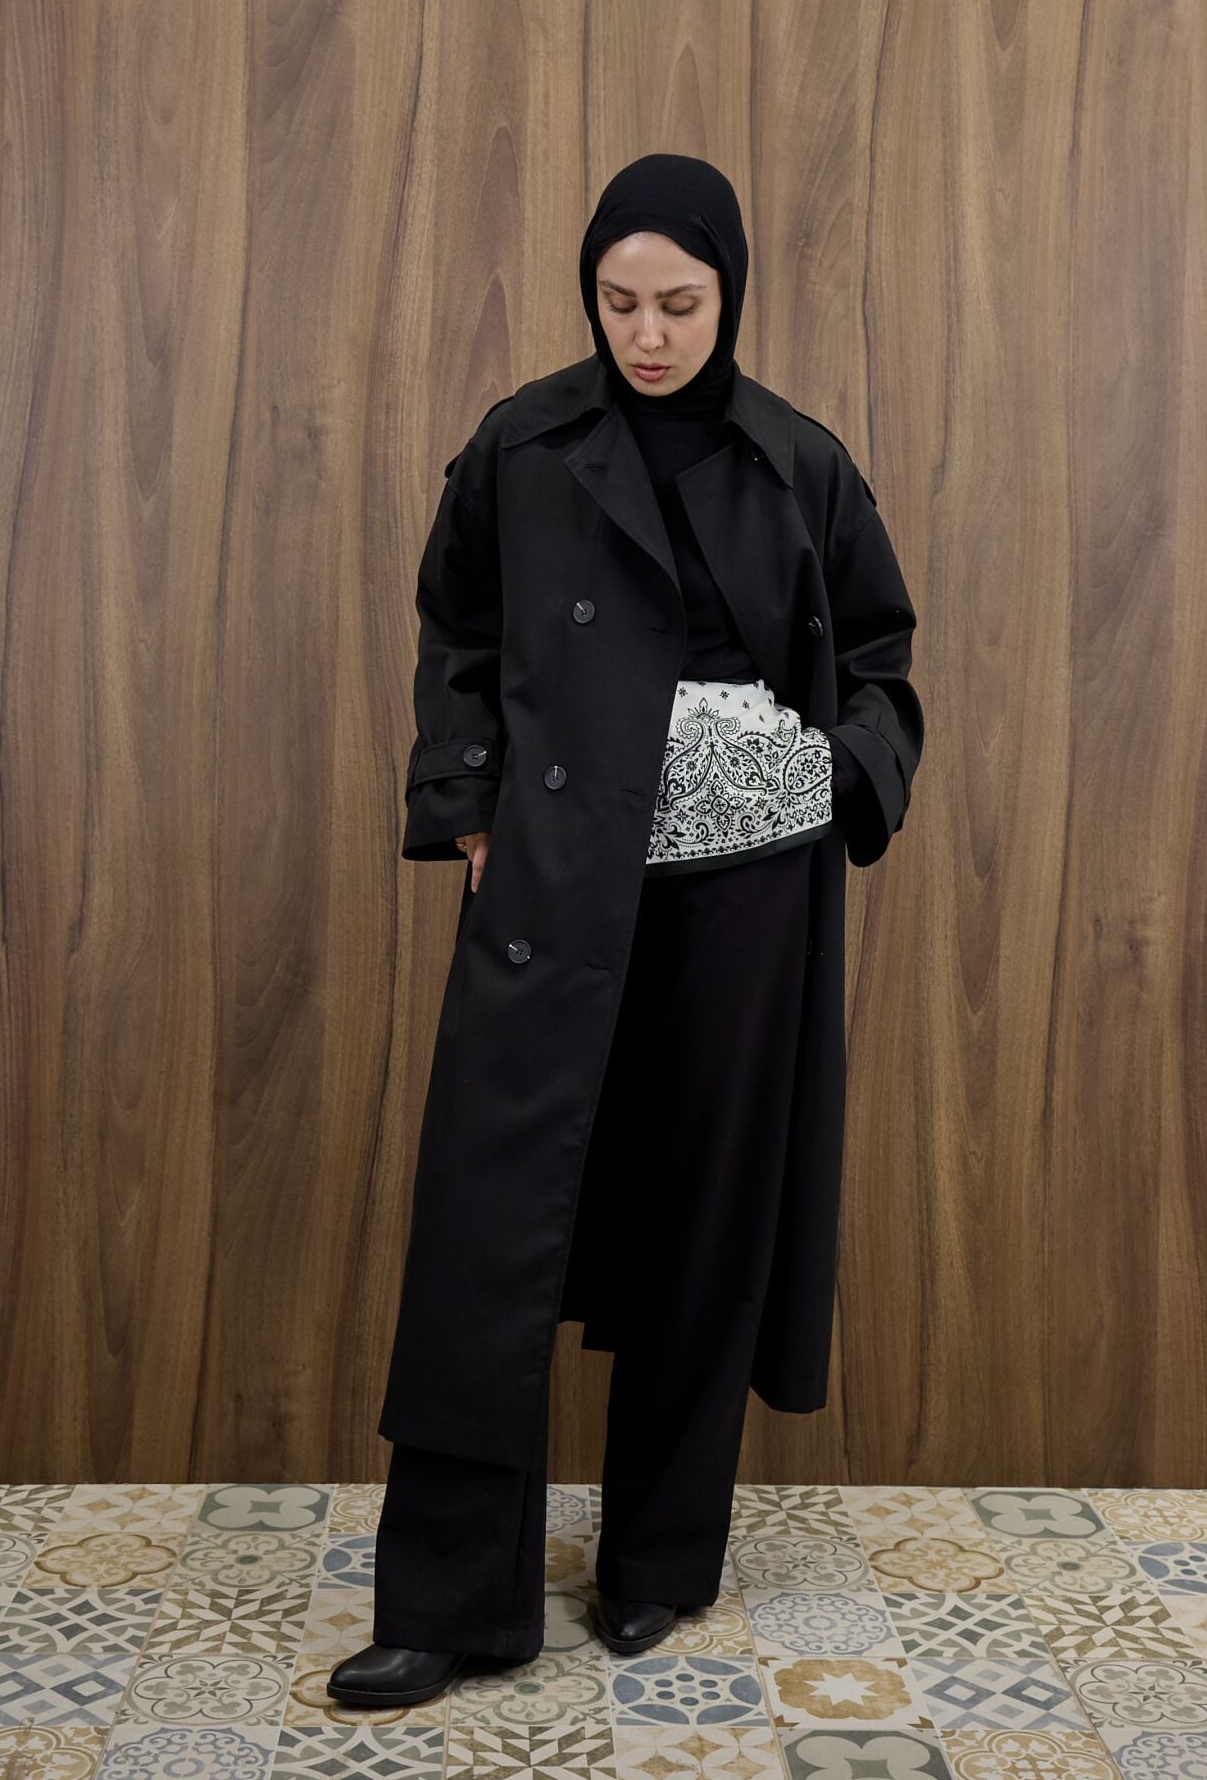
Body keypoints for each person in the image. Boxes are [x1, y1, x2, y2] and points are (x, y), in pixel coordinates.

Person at [328, 154, 920, 1710]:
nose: (647, 334)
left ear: (730, 297)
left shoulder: (799, 461)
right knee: (488, 1225)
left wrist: (830, 778)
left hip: (748, 890)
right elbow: (457, 626)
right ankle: (448, 1601)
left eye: (679, 304)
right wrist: (469, 807)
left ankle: (659, 1559)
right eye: (619, 301)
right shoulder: (524, 442)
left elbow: (882, 657)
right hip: (557, 869)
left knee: (703, 1209)